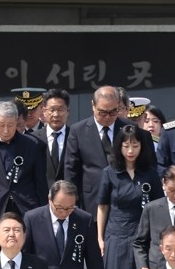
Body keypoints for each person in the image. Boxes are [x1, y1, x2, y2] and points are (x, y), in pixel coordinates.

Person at [96, 124, 164, 269]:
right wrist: (100, 237)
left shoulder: (150, 173)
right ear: (119, 147)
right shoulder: (110, 172)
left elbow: (158, 206)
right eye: (126, 146)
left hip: (142, 233)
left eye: (135, 145)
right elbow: (102, 206)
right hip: (116, 231)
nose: (131, 150)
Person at [64, 85, 154, 213]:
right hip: (91, 200)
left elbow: (145, 165)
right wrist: (73, 202)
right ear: (93, 106)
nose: (107, 117)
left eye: (113, 112)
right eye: (102, 112)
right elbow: (71, 171)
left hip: (126, 200)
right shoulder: (78, 130)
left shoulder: (130, 128)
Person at [0, 101, 48, 253]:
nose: (6, 130)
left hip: (25, 206)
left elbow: (40, 183)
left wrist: (43, 214)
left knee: (27, 253)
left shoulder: (32, 145)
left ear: (18, 123)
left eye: (11, 125)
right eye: (1, 125)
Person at [32, 89, 71, 187]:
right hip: (42, 197)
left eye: (61, 110)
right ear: (44, 111)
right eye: (52, 110)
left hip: (69, 197)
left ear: (67, 112)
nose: (56, 115)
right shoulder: (33, 139)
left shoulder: (75, 136)